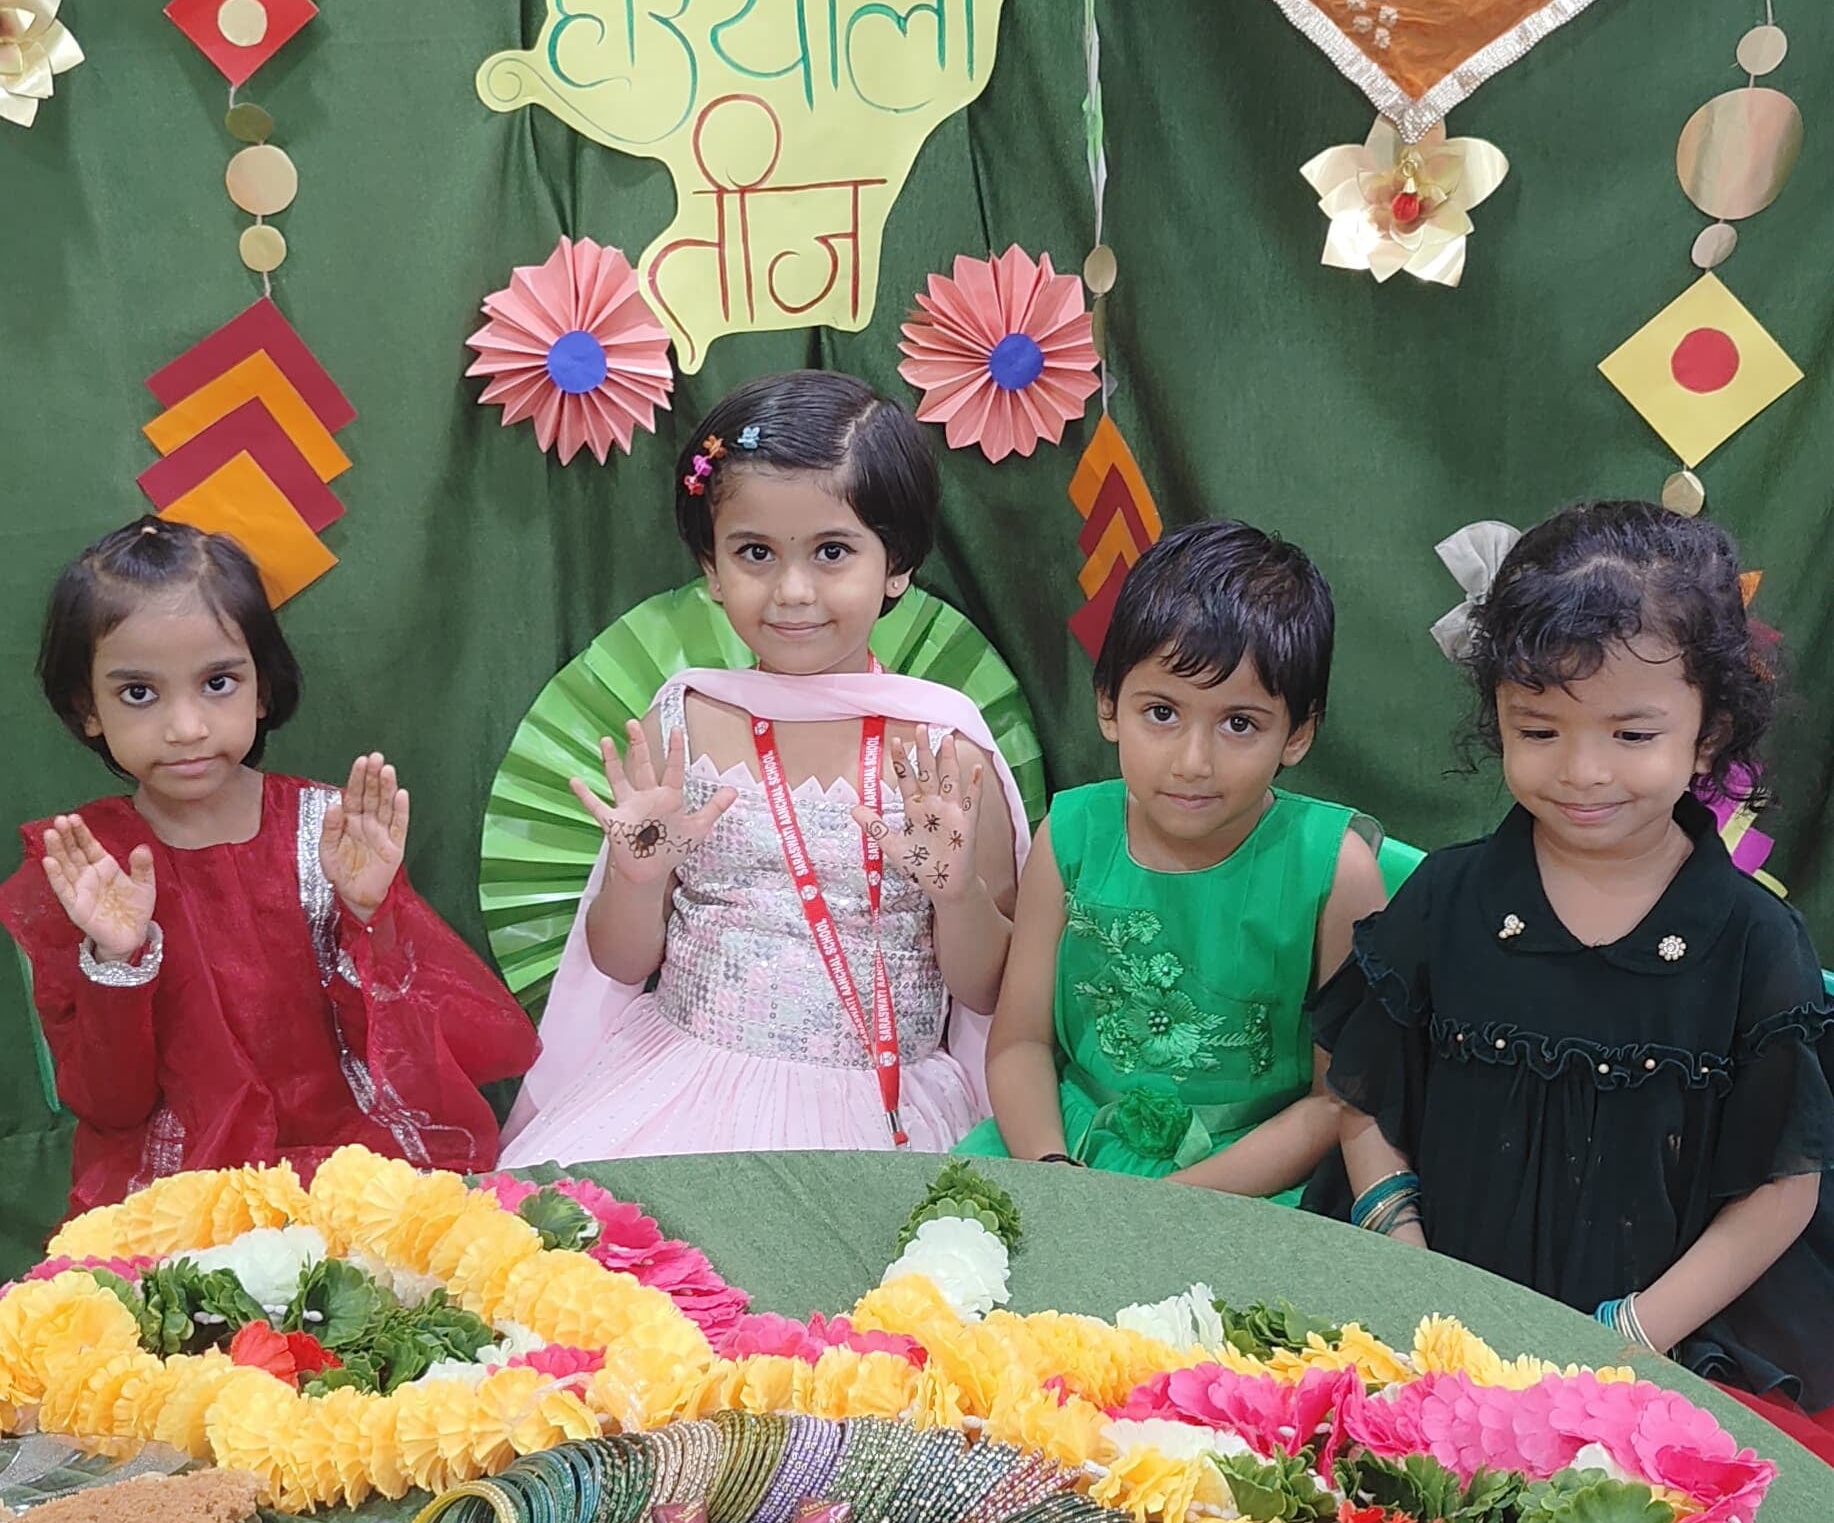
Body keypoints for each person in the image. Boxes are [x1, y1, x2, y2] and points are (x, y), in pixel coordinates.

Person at [1311, 498, 1834, 1422]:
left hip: (1664, 1347)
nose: (1583, 772)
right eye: (1540, 730)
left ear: (1709, 731)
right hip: (1423, 1319)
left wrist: (1624, 1339)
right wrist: (1407, 1258)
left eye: (1632, 735)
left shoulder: (1757, 943)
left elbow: (1782, 1186)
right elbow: (1365, 1100)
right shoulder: (1445, 896)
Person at [503, 372, 1024, 1158]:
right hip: (677, 1089)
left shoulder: (944, 748)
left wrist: (956, 894)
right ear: (711, 568)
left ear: (897, 564)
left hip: (885, 1108)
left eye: (832, 552)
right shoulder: (684, 720)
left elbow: (987, 990)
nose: (792, 590)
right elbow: (621, 961)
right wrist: (636, 877)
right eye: (755, 553)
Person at [1, 520, 536, 1214]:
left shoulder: (331, 831)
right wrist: (118, 960)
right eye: (139, 693)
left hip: (352, 1157)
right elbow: (111, 1104)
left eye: (218, 682)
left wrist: (369, 915)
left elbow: (407, 1057)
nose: (187, 727)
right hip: (184, 1182)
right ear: (88, 708)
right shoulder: (88, 864)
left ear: (260, 688)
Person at [976, 516, 1385, 1185]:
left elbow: (1335, 1099)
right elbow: (1020, 1043)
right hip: (1067, 1152)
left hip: (1251, 1181)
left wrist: (1169, 1208)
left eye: (1239, 723)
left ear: (1298, 734)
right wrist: (1053, 1172)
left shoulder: (1339, 872)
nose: (1193, 762)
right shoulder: (1071, 834)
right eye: (1162, 713)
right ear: (1109, 705)